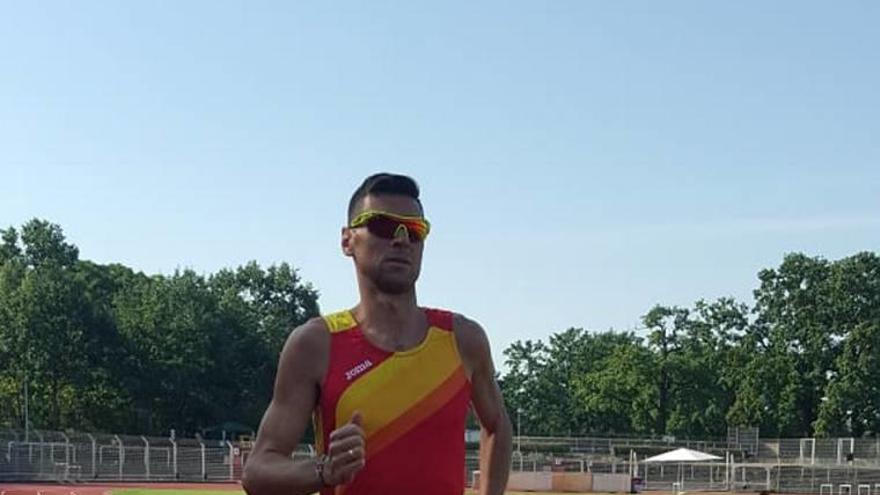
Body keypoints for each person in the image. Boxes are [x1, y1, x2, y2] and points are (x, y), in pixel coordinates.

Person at [242, 173, 512, 495]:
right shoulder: (316, 344)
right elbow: (259, 471)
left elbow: (497, 426)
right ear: (347, 240)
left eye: (414, 231)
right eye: (382, 226)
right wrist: (324, 470)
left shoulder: (463, 339)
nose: (401, 239)